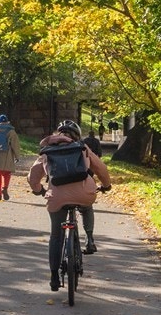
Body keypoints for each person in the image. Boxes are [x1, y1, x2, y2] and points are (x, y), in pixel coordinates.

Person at [28, 119, 112, 291]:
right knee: (87, 205)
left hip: (57, 197)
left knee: (56, 235)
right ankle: (89, 239)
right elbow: (101, 168)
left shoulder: (47, 150)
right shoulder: (82, 148)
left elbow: (33, 176)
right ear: (77, 135)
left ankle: (53, 277)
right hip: (84, 193)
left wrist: (38, 190)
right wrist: (106, 185)